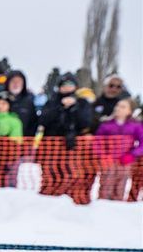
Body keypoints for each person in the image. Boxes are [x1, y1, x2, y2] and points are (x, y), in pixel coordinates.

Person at [40, 72, 97, 202]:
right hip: (52, 149)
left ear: (75, 87)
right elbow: (43, 120)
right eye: (64, 85)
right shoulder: (52, 102)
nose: (67, 87)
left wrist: (74, 108)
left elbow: (85, 123)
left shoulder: (82, 103)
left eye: (70, 84)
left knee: (71, 176)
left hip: (74, 148)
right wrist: (60, 107)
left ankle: (70, 203)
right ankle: (46, 202)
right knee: (50, 177)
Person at [94, 98, 143, 200]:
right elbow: (97, 142)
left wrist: (132, 154)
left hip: (124, 162)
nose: (118, 108)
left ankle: (117, 207)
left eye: (123, 107)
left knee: (120, 188)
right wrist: (102, 156)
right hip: (108, 162)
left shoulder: (135, 126)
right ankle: (101, 206)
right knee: (105, 188)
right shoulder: (106, 124)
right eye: (117, 105)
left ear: (129, 111)